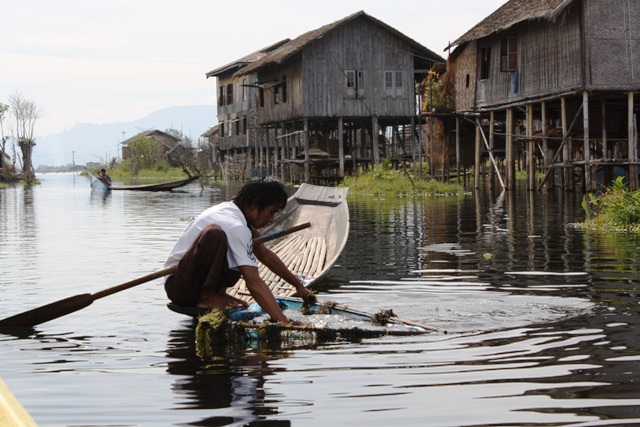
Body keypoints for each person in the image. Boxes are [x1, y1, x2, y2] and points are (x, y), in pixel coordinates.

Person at [164, 177, 312, 323]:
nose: (271, 219)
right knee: (215, 235)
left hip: (192, 284)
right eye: (271, 212)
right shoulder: (235, 226)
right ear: (254, 205)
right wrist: (283, 321)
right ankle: (206, 296)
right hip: (180, 287)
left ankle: (217, 293)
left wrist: (297, 285)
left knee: (236, 253)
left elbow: (265, 255)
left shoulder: (239, 218)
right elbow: (253, 282)